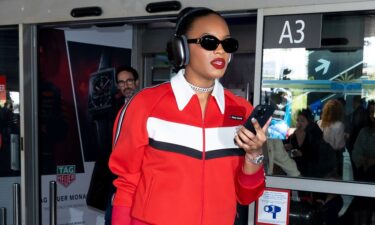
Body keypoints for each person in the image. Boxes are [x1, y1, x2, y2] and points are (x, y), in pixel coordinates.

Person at [109, 7, 269, 225]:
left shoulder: (240, 110)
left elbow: (247, 195)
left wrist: (254, 153)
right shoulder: (145, 105)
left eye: (227, 44)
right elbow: (127, 186)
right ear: (182, 47)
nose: (220, 51)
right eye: (210, 42)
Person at [86, 66, 139, 225]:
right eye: (121, 82)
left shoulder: (148, 104)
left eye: (129, 81)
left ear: (136, 82)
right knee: (111, 217)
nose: (126, 85)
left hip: (138, 174)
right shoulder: (112, 107)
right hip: (115, 174)